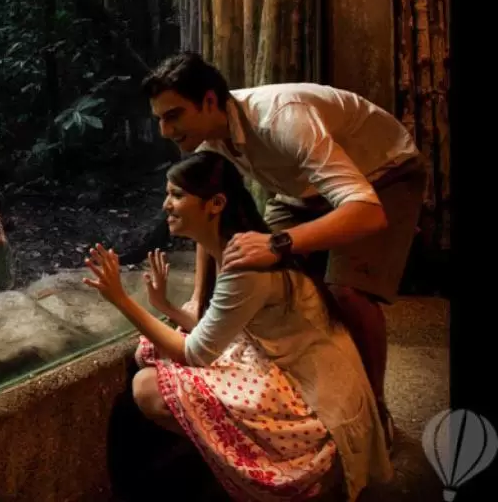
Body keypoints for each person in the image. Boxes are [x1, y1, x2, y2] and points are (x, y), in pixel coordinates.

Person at [138, 51, 426, 447]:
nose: (165, 130)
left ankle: (374, 413)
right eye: (159, 119)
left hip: (381, 177)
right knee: (250, 266)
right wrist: (195, 301)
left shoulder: (282, 119)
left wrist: (278, 243)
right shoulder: (211, 137)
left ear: (208, 101)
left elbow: (366, 212)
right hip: (302, 190)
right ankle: (296, 387)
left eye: (173, 116)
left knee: (347, 291)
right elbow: (215, 230)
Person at [83, 150, 394, 501]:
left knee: (147, 387)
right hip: (280, 363)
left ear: (215, 204)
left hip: (313, 399)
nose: (166, 205)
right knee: (149, 350)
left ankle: (250, 468)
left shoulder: (243, 264)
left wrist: (121, 299)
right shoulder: (234, 247)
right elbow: (213, 327)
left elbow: (196, 352)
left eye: (177, 195)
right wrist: (164, 305)